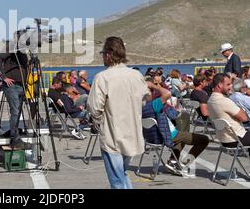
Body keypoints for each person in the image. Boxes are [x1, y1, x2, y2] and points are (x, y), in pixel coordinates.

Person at [87, 37, 151, 189]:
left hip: (113, 135)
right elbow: (144, 100)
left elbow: (94, 107)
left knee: (117, 180)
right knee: (122, 174)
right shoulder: (136, 75)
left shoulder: (103, 77)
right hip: (133, 134)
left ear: (108, 54)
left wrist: (99, 122)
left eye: (103, 54)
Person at [143, 82, 209, 176]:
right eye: (151, 91)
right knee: (204, 140)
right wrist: (153, 85)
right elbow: (167, 94)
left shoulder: (140, 107)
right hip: (167, 136)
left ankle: (173, 161)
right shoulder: (153, 105)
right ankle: (183, 163)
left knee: (183, 130)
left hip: (152, 137)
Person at [0, 41, 30, 149]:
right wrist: (3, 77)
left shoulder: (23, 53)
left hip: (21, 86)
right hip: (11, 86)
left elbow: (26, 68)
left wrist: (26, 84)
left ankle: (15, 131)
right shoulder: (12, 49)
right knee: (15, 111)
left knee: (18, 111)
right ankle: (14, 136)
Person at [207, 74, 250, 148]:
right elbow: (244, 118)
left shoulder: (210, 100)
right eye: (228, 84)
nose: (231, 87)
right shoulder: (224, 101)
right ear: (220, 85)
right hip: (235, 139)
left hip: (224, 139)